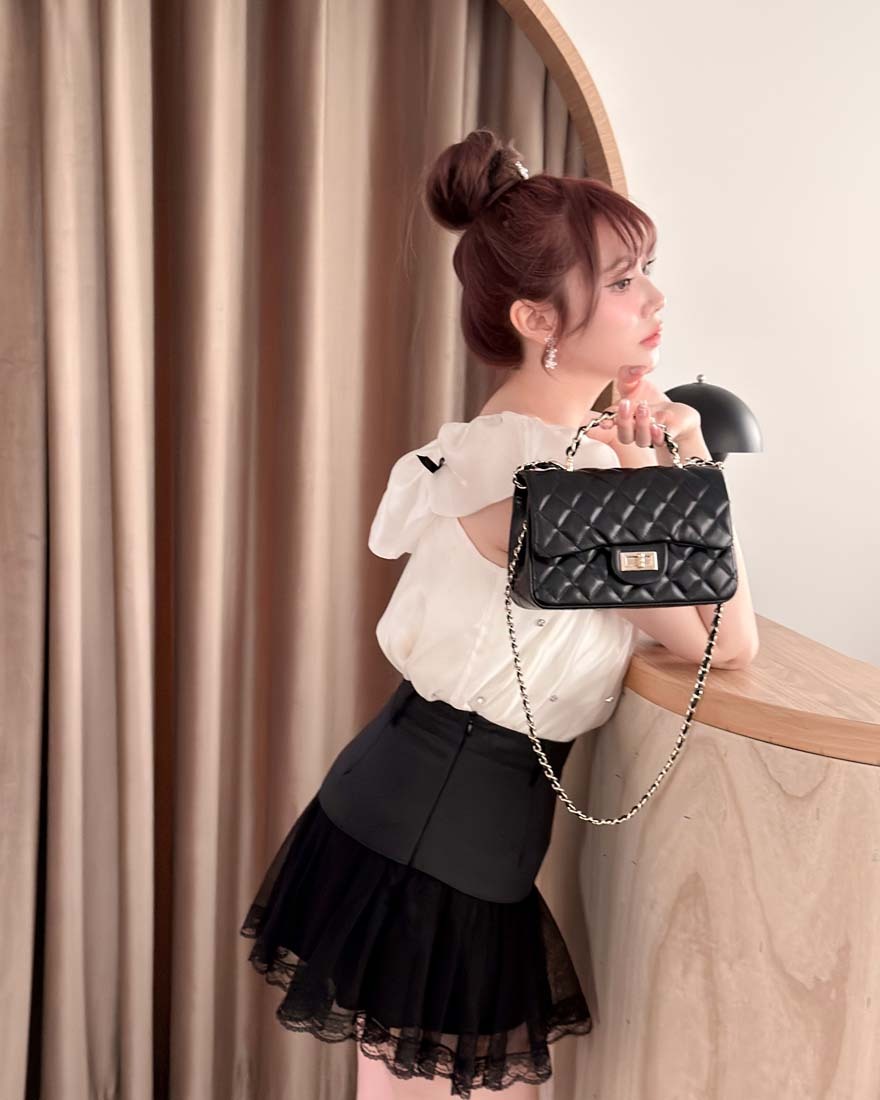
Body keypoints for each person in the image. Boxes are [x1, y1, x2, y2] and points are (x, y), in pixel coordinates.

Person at [239, 129, 760, 1100]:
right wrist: (681, 465)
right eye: (621, 281)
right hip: (444, 844)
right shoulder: (561, 476)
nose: (653, 300)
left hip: (416, 814)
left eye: (647, 271)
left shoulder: (488, 445)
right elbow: (729, 644)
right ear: (535, 316)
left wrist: (650, 470)